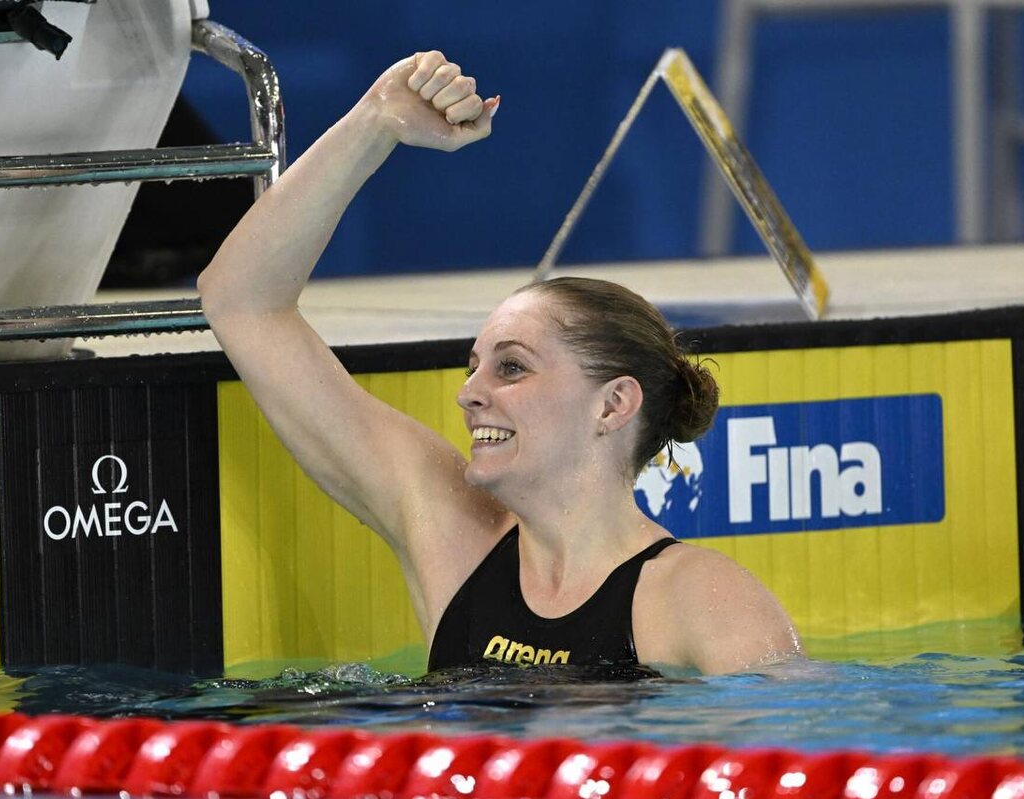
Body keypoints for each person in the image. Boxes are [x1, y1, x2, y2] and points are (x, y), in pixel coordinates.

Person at [197, 51, 801, 675]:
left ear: (613, 404)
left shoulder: (702, 600)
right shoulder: (452, 534)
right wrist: (375, 121)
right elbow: (240, 301)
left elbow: (791, 734)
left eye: (511, 368)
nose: (469, 393)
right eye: (473, 367)